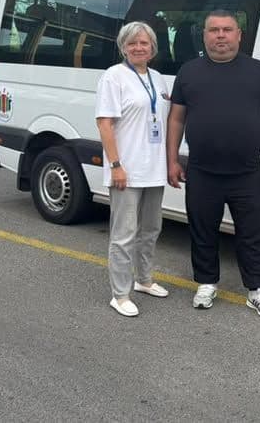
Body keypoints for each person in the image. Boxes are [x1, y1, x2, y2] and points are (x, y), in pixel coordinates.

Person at [167, 10, 260, 318]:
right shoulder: (189, 72)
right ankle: (206, 283)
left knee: (252, 234)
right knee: (202, 231)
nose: (220, 35)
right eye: (213, 30)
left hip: (246, 173)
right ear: (204, 35)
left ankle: (257, 289)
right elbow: (176, 119)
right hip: (202, 172)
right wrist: (171, 160)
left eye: (227, 29)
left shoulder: (258, 71)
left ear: (239, 35)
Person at [95, 21, 170, 317]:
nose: (139, 47)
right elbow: (105, 123)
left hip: (154, 167)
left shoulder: (157, 77)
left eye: (144, 43)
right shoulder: (114, 77)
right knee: (124, 233)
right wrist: (116, 165)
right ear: (123, 47)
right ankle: (120, 293)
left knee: (151, 228)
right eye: (132, 43)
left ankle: (144, 280)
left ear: (152, 47)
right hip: (126, 169)